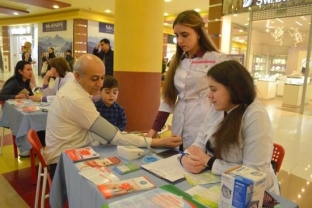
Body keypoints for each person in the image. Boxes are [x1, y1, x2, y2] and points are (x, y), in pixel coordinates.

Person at [43, 54, 182, 179]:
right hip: (62, 163)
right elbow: (114, 136)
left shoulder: (73, 88)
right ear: (78, 76)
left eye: (102, 78)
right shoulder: (77, 99)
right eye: (94, 79)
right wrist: (157, 142)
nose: (100, 84)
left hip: (68, 153)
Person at [179, 60, 280, 194]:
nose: (209, 95)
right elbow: (198, 144)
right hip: (217, 181)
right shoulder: (218, 108)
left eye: (214, 89)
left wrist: (209, 161)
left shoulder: (255, 115)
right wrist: (185, 159)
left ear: (233, 88)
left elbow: (253, 173)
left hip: (252, 193)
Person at [146, 10, 227, 150]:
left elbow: (230, 95)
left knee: (198, 158)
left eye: (185, 35)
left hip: (205, 120)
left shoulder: (216, 59)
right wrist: (153, 131)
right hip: (179, 121)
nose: (180, 41)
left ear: (199, 33)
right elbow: (168, 100)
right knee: (179, 158)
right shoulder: (177, 61)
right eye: (177, 36)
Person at [0, 61, 34, 156]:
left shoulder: (26, 82)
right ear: (20, 71)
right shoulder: (13, 82)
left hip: (24, 109)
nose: (30, 72)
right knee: (27, 120)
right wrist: (16, 97)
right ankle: (25, 147)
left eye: (31, 69)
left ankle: (33, 145)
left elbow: (31, 95)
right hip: (12, 113)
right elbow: (1, 95)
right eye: (28, 69)